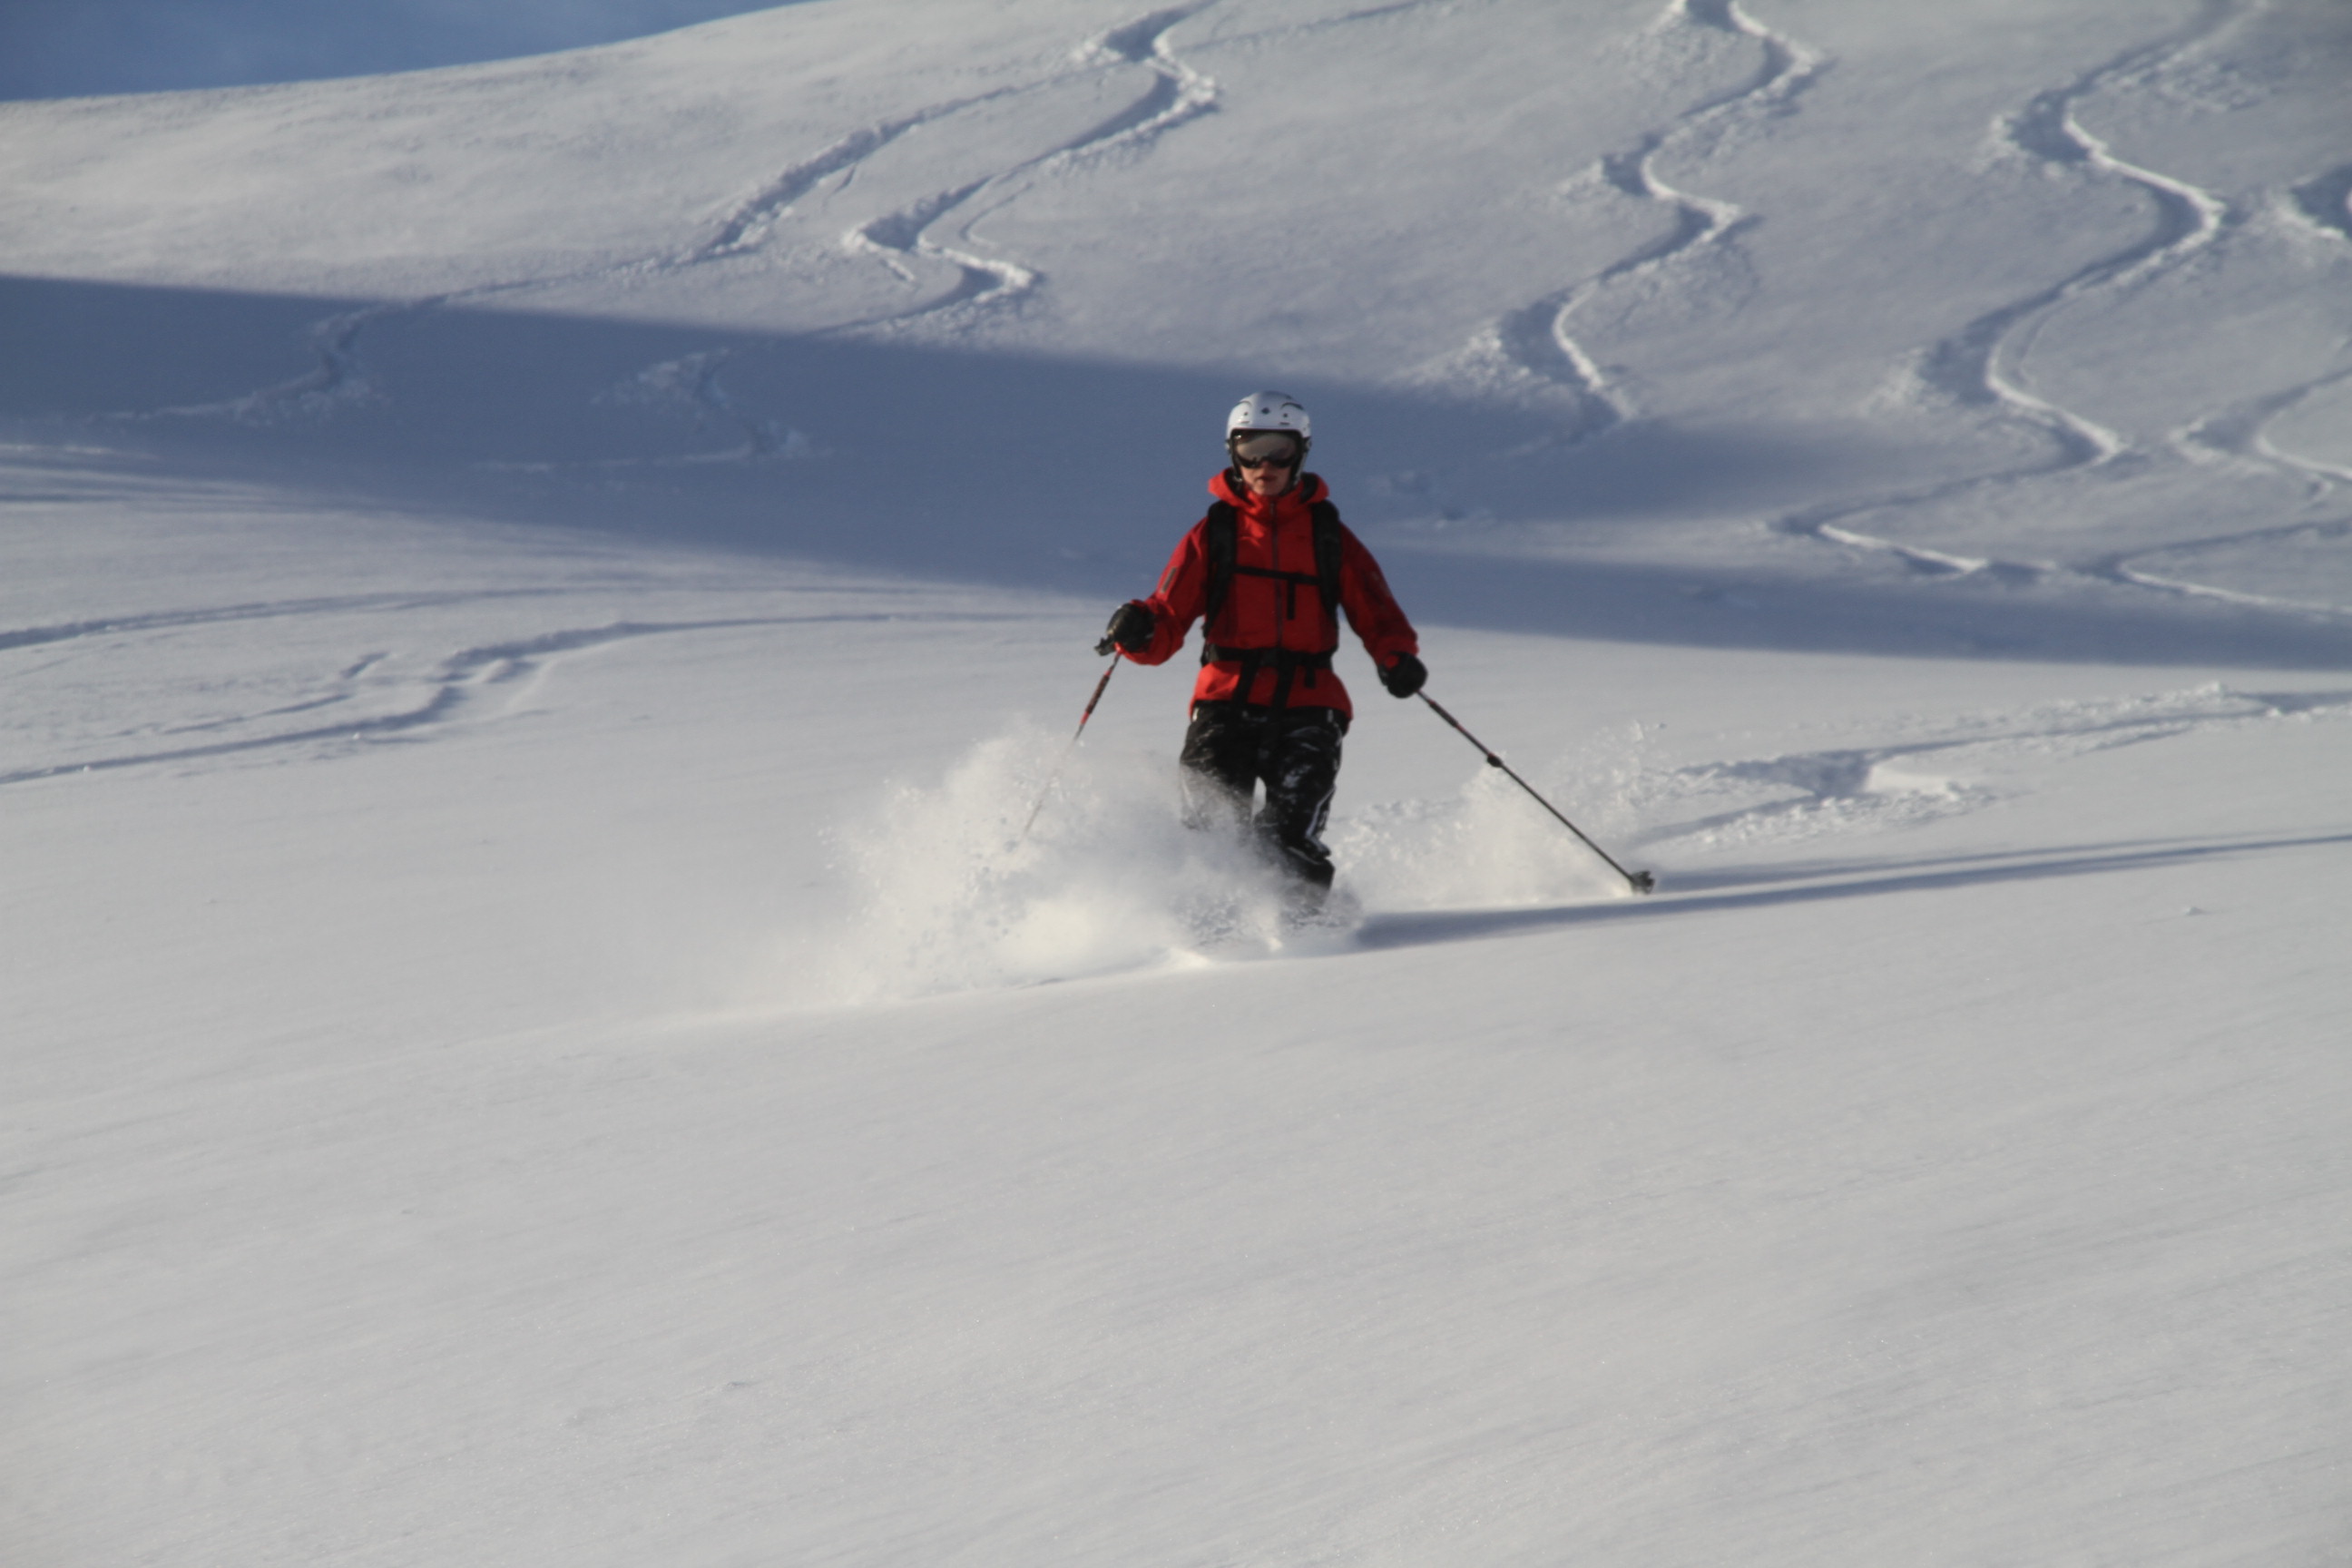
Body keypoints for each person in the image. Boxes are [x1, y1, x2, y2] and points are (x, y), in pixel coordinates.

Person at [1101, 391, 1426, 904]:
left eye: (1279, 449)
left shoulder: (1328, 535)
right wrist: (1139, 628)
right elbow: (1167, 617)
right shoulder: (1216, 533)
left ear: (1301, 452)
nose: (1264, 464)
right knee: (1210, 832)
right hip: (1226, 701)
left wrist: (1396, 657)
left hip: (1309, 705)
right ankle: (1208, 942)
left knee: (1286, 838)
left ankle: (1306, 944)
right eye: (1250, 449)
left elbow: (1377, 611)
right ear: (1232, 452)